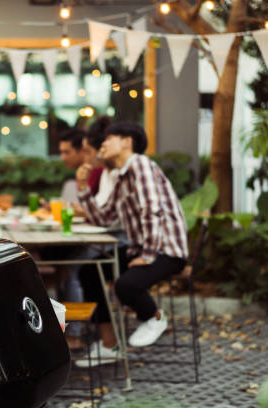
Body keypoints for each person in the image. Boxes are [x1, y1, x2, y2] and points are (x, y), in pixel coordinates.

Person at [74, 122, 188, 366]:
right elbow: (103, 218)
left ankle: (155, 317)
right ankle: (109, 344)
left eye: (108, 138)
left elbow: (152, 209)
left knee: (126, 285)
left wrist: (147, 255)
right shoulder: (120, 175)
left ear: (127, 142)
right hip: (144, 248)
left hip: (166, 250)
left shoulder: (140, 165)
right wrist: (83, 189)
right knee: (89, 271)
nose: (102, 144)